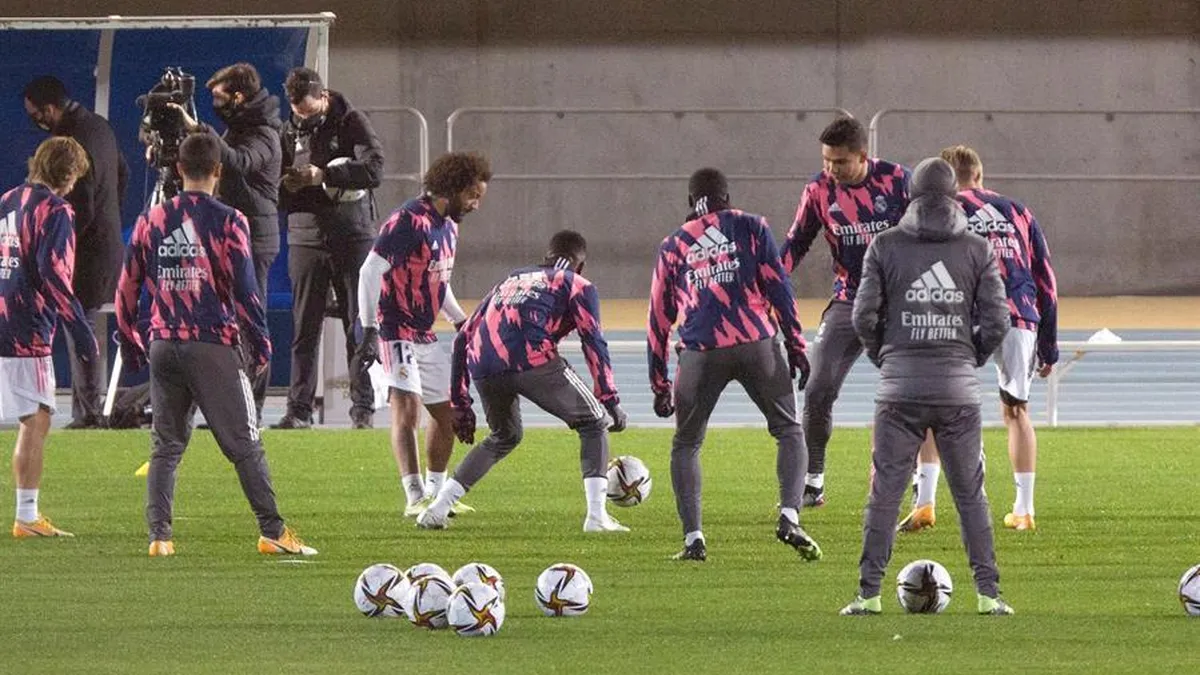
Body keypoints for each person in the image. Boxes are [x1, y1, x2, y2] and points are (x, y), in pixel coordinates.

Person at [114, 134, 315, 557]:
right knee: (245, 443)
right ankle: (273, 531)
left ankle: (160, 537)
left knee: (166, 446)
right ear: (219, 170)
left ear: (178, 169)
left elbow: (127, 287)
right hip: (211, 343)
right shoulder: (230, 221)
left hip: (163, 341)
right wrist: (260, 343)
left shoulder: (152, 220)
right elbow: (246, 290)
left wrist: (130, 337)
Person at [841, 157, 1012, 616]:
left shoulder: (884, 245)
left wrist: (885, 357)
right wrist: (969, 357)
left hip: (898, 392)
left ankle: (869, 595)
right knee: (970, 496)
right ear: (955, 196)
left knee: (885, 494)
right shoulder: (977, 249)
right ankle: (988, 596)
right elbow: (998, 320)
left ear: (911, 196)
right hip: (959, 393)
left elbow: (863, 315)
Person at [648, 168, 821, 562]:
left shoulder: (674, 244)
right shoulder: (751, 226)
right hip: (756, 342)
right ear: (727, 197)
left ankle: (694, 540)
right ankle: (790, 517)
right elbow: (779, 286)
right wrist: (796, 344)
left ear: (691, 202)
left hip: (700, 350)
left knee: (686, 445)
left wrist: (658, 382)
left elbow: (658, 317)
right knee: (788, 430)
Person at [416, 230, 629, 531]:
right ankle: (596, 516)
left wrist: (460, 402)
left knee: (504, 435)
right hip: (531, 358)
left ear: (546, 256)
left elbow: (463, 337)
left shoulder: (512, 279)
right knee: (594, 423)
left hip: (484, 364)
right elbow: (593, 341)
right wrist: (609, 399)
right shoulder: (577, 284)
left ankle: (438, 508)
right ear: (580, 265)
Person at [896, 145, 1059, 533]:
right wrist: (1049, 344)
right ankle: (1023, 510)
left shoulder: (943, 212)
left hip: (964, 315)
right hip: (1018, 315)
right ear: (980, 175)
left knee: (931, 407)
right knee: (1016, 412)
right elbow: (1045, 278)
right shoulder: (1018, 211)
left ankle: (925, 503)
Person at [782, 116, 911, 507]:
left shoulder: (898, 182)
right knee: (817, 387)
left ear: (862, 156)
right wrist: (769, 286)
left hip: (898, 302)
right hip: (848, 299)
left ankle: (915, 482)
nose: (831, 169)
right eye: (826, 160)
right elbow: (795, 243)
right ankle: (813, 481)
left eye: (839, 162)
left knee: (911, 392)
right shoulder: (818, 190)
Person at [356, 152, 488, 517]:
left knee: (449, 414)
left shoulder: (449, 225)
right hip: (393, 328)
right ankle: (414, 497)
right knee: (408, 409)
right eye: (473, 195)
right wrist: (368, 330)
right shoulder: (408, 220)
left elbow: (437, 280)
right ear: (454, 188)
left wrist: (460, 320)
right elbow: (370, 271)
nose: (476, 204)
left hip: (423, 332)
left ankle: (437, 493)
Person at [168, 63, 284, 424]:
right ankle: (226, 402)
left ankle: (252, 408)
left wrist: (200, 132)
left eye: (219, 97)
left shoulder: (264, 133)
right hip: (231, 236)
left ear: (238, 96)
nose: (215, 104)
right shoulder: (240, 128)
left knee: (251, 321)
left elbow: (239, 162)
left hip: (255, 239)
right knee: (226, 321)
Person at [274, 67, 385, 429]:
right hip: (305, 237)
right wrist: (287, 186)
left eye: (308, 112)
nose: (303, 119)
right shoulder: (286, 130)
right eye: (297, 113)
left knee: (359, 324)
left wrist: (325, 175)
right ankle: (298, 411)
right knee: (304, 329)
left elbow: (374, 170)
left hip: (353, 235)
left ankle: (363, 410)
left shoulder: (351, 121)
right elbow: (272, 187)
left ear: (323, 97)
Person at [1, 137, 98, 537]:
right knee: (36, 418)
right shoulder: (56, 210)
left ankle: (27, 516)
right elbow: (53, 273)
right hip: (26, 329)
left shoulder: (8, 199)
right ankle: (27, 516)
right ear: (68, 174)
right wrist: (80, 328)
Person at [23, 75, 128, 429]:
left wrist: (58, 242)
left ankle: (88, 413)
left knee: (78, 329)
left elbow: (81, 205)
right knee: (83, 328)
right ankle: (89, 409)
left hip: (85, 253)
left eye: (36, 114)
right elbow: (124, 173)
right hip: (106, 244)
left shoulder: (70, 142)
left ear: (50, 108)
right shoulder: (101, 127)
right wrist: (112, 217)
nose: (36, 121)